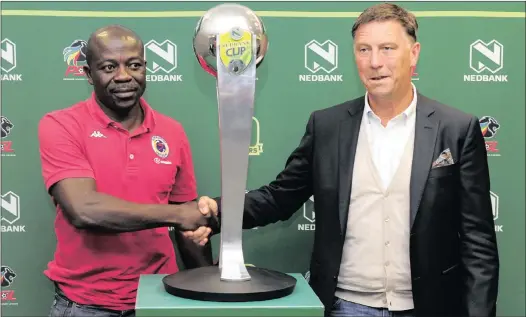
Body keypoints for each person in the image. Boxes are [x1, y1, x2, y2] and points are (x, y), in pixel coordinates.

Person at [184, 3, 500, 317]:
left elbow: (478, 242)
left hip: (431, 306)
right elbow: (280, 198)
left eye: (387, 48)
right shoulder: (328, 127)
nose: (375, 62)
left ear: (413, 53)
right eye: (364, 50)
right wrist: (218, 211)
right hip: (346, 306)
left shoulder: (456, 129)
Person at [37, 25, 213, 317]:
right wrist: (180, 214)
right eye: (108, 67)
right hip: (84, 305)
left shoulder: (172, 132)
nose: (123, 76)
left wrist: (210, 283)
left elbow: (188, 224)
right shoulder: (61, 125)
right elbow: (84, 210)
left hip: (158, 298)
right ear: (88, 74)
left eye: (134, 65)